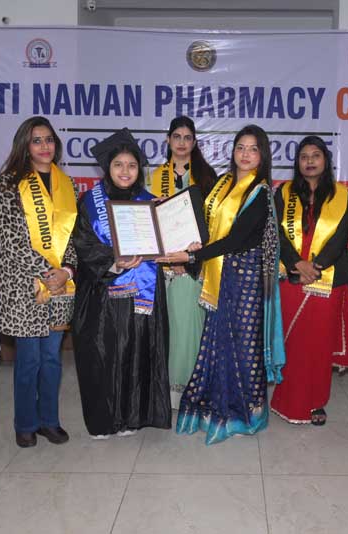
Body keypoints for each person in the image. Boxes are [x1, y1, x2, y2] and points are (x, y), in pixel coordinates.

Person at [161, 124, 285, 445]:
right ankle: (214, 406)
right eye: (240, 147)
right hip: (220, 276)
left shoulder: (260, 193)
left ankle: (243, 414)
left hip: (245, 281)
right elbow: (208, 228)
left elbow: (237, 239)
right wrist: (190, 244)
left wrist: (192, 256)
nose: (245, 154)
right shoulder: (224, 185)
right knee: (216, 343)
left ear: (262, 155)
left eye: (253, 149)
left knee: (242, 347)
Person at [71, 129, 171, 438]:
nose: (125, 171)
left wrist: (170, 220)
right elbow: (83, 244)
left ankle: (132, 417)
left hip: (142, 295)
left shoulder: (150, 203)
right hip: (102, 294)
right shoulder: (90, 201)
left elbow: (168, 242)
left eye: (131, 165)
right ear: (107, 168)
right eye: (118, 165)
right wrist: (115, 261)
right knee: (103, 354)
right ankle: (103, 421)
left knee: (136, 351)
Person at [0, 116, 77, 448]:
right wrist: (47, 272)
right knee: (29, 359)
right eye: (37, 140)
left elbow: (71, 236)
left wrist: (67, 270)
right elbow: (11, 239)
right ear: (25, 146)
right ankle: (25, 423)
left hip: (60, 286)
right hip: (24, 286)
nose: (45, 146)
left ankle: (49, 421)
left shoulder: (66, 183)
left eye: (49, 139)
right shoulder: (9, 183)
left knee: (53, 358)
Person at [269, 136, 348, 426]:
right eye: (304, 156)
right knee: (292, 342)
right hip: (292, 276)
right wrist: (297, 264)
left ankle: (316, 401)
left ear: (325, 160)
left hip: (326, 278)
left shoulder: (342, 194)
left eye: (315, 155)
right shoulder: (283, 193)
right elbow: (275, 233)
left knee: (319, 344)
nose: (309, 161)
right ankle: (286, 399)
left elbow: (341, 236)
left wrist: (316, 267)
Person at [147, 116, 217, 408]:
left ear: (195, 142)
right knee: (169, 329)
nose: (182, 142)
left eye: (188, 137)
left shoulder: (208, 177)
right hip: (162, 266)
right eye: (176, 136)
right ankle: (167, 394)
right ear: (168, 140)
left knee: (190, 328)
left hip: (193, 265)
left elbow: (214, 223)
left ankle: (192, 391)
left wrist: (189, 258)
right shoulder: (153, 177)